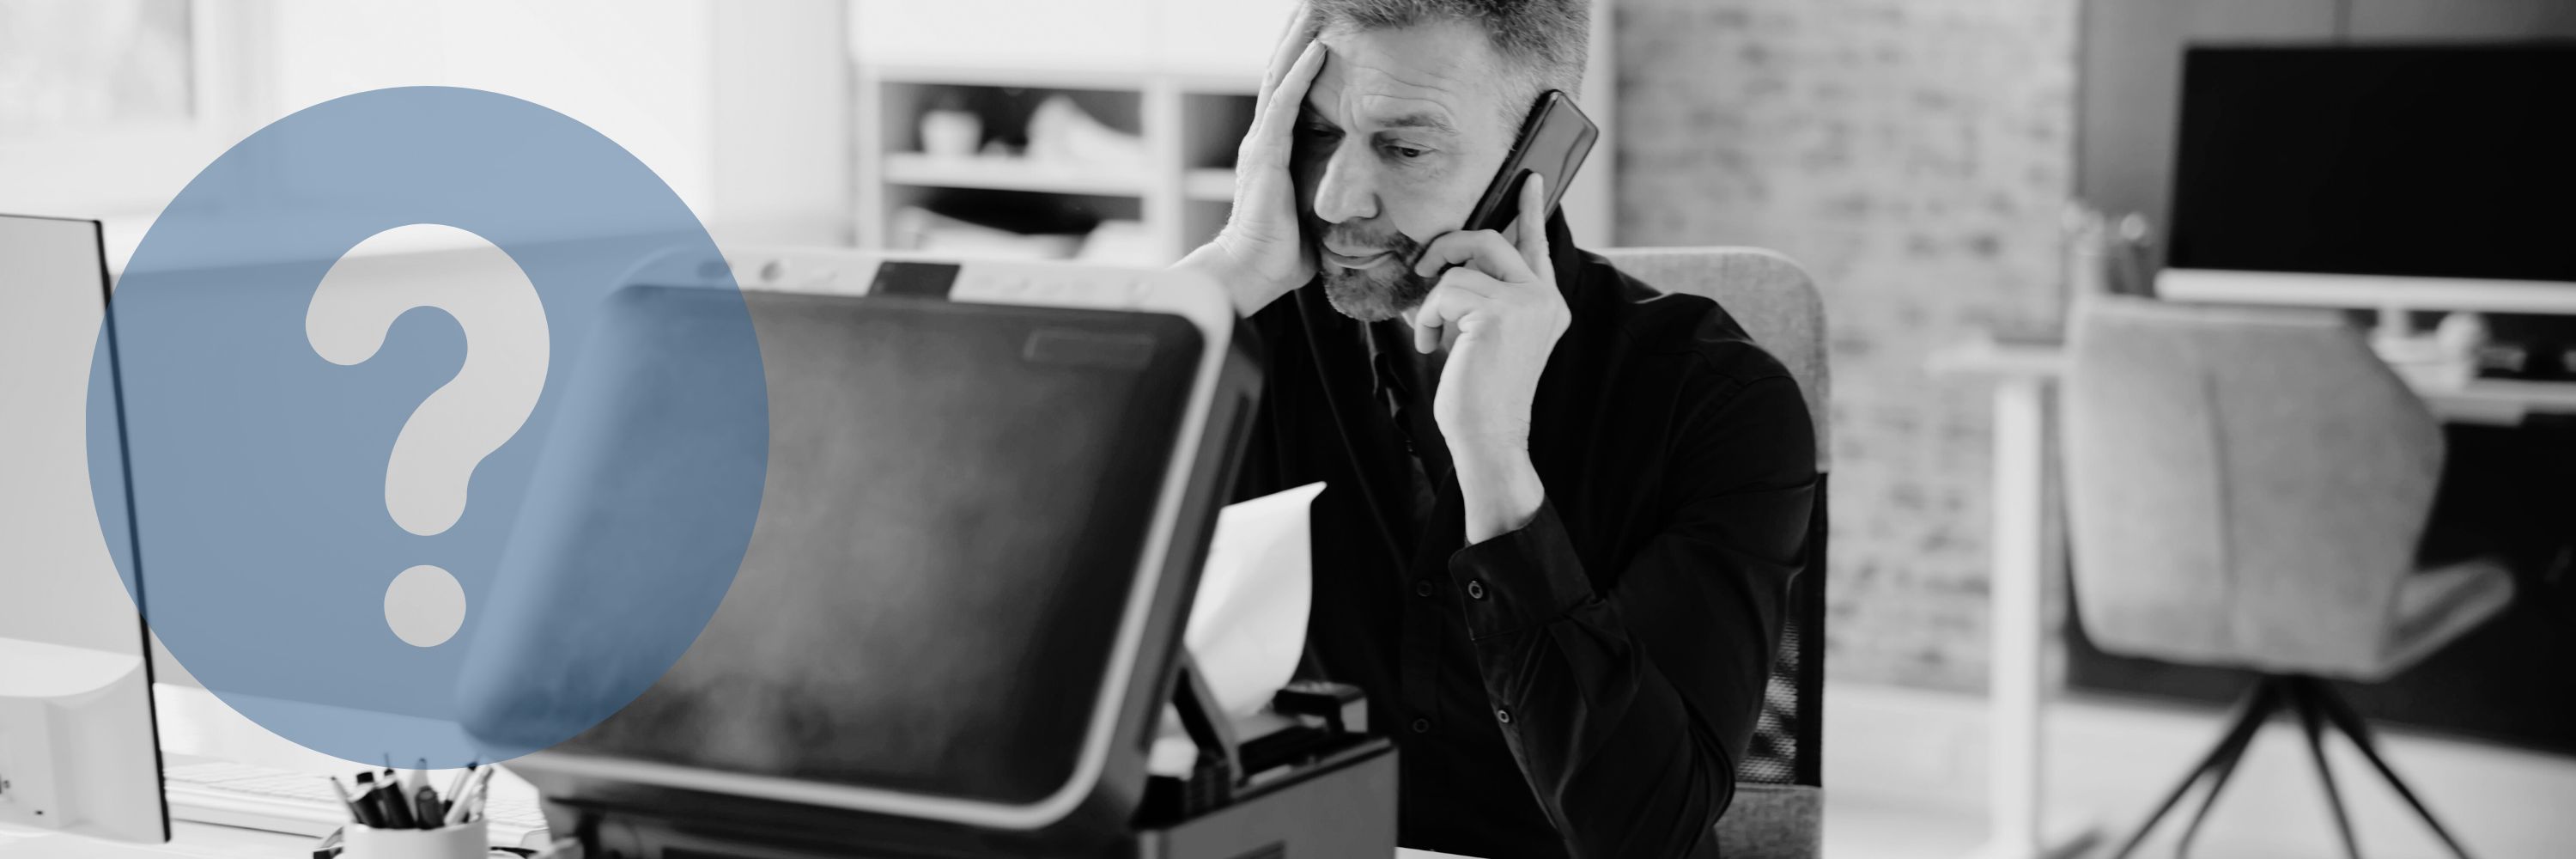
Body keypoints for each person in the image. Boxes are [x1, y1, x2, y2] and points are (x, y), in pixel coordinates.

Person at [1170, 2, 1820, 856]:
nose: (1334, 196)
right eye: (1316, 133)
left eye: (1403, 147)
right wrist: (1223, 277)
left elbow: (1648, 831)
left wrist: (1495, 466)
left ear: (1537, 160)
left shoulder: (1716, 402)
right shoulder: (1246, 333)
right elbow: (989, 572)